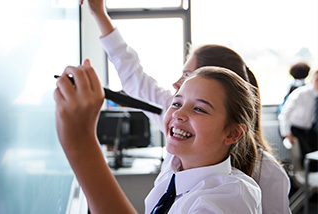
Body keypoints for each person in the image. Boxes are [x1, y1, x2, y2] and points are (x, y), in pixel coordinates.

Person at [83, 0, 290, 213]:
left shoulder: (247, 185)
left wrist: (80, 144)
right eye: (177, 102)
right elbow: (135, 78)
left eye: (188, 76)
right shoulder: (178, 156)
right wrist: (99, 13)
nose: (175, 85)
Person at [54, 64, 262, 213]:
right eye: (176, 103)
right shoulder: (174, 167)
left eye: (199, 109)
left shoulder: (230, 199)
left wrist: (81, 145)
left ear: (233, 133)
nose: (179, 114)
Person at [278, 69, 318, 171]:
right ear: (312, 80)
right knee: (306, 157)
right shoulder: (301, 93)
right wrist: (286, 133)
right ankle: (307, 181)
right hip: (295, 128)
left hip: (310, 130)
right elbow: (284, 114)